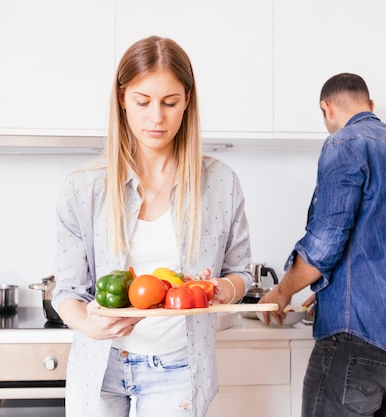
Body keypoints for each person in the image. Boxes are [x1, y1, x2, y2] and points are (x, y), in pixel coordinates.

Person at [51, 35, 253, 417]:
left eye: (170, 102)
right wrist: (89, 326)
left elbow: (240, 273)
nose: (156, 117)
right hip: (99, 365)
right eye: (143, 102)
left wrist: (220, 289)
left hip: (178, 368)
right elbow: (67, 292)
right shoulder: (83, 188)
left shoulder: (221, 183)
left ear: (187, 101)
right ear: (122, 98)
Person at [259, 73, 386, 417]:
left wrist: (282, 291)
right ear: (371, 106)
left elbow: (322, 245)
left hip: (354, 344)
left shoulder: (344, 144)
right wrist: (334, 290)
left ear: (326, 109)